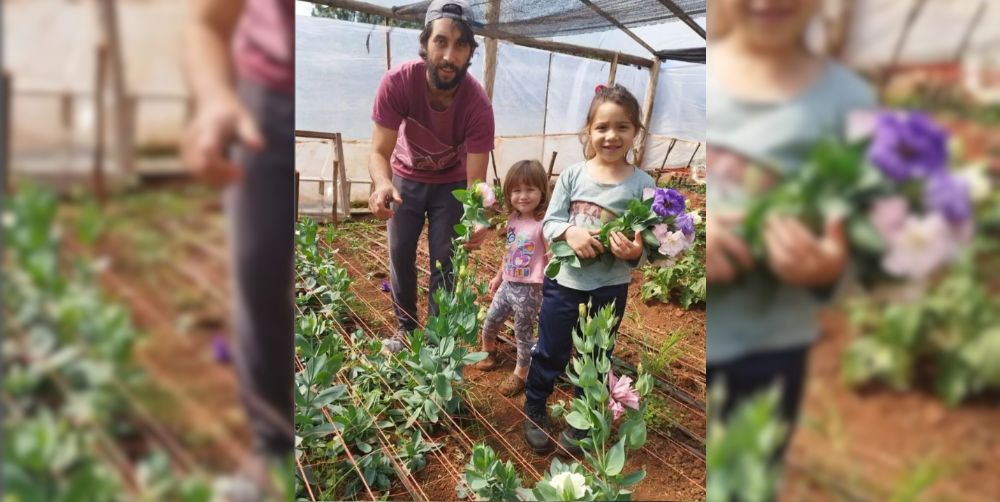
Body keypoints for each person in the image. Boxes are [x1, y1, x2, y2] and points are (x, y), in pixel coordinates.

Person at [705, 0, 876, 473]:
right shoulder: (708, 75)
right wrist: (700, 233)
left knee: (748, 478)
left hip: (771, 343)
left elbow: (868, 233)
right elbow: (665, 226)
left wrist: (830, 267)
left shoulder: (849, 101)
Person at [181, 0, 294, 498]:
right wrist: (213, 97)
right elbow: (205, 22)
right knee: (257, 271)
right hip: (262, 99)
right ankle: (272, 442)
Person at [521, 84, 654, 455]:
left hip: (611, 285)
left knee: (596, 352)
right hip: (566, 283)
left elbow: (647, 245)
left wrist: (633, 250)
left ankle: (583, 416)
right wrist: (571, 231)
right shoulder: (572, 176)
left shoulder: (644, 185)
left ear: (635, 132)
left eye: (622, 127)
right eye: (602, 127)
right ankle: (535, 407)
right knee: (551, 347)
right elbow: (549, 223)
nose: (611, 136)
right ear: (589, 130)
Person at [367, 0, 495, 354]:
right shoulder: (398, 82)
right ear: (425, 43)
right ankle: (406, 329)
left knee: (446, 259)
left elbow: (475, 181)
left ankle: (437, 340)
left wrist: (477, 216)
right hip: (405, 178)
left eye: (460, 45)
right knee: (400, 252)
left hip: (451, 185)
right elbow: (379, 151)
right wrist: (383, 183)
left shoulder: (477, 104)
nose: (449, 56)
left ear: (471, 51)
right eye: (441, 41)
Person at [474, 160, 550, 397]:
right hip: (508, 283)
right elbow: (509, 253)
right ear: (508, 194)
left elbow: (551, 256)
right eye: (516, 190)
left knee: (522, 332)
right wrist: (498, 276)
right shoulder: (513, 220)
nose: (523, 196)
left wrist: (551, 285)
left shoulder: (544, 224)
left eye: (530, 190)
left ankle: (521, 373)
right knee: (491, 320)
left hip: (530, 289)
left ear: (542, 192)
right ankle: (489, 352)